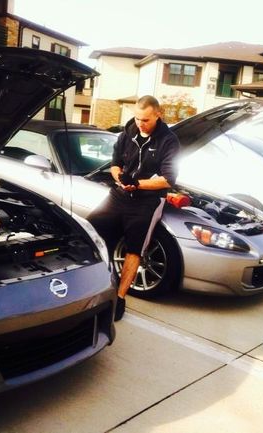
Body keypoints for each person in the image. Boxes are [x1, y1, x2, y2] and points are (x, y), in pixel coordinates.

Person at [87, 95, 180, 321]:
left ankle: (119, 298)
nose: (140, 123)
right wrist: (121, 178)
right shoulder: (127, 133)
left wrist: (137, 184)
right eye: (137, 118)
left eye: (145, 119)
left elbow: (168, 179)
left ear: (158, 114)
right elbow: (115, 164)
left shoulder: (169, 141)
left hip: (148, 200)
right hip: (120, 194)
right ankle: (94, 285)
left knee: (134, 248)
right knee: (91, 230)